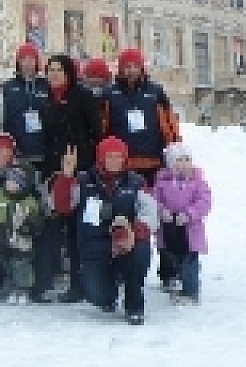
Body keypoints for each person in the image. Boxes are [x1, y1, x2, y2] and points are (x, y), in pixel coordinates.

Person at [53, 137, 157, 325]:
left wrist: (135, 232)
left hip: (126, 243)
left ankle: (134, 304)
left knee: (141, 250)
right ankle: (110, 284)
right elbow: (62, 206)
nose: (114, 161)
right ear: (101, 158)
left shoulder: (136, 182)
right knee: (101, 299)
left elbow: (151, 214)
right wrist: (66, 176)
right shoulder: (83, 181)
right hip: (94, 248)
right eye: (109, 157)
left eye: (119, 157)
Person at [102, 47, 181, 289]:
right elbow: (103, 129)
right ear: (120, 68)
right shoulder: (110, 93)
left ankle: (169, 271)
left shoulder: (156, 93)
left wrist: (175, 154)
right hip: (122, 168)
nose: (130, 70)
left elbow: (170, 126)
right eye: (126, 66)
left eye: (134, 65)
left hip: (154, 165)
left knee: (162, 217)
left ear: (141, 67)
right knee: (121, 216)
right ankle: (120, 267)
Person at [38, 54, 100, 304]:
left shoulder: (83, 96)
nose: (53, 74)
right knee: (52, 227)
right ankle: (45, 281)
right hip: (54, 170)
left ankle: (80, 283)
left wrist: (82, 162)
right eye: (50, 69)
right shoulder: (45, 99)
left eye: (58, 70)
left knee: (77, 230)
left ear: (69, 73)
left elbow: (96, 131)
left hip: (80, 170)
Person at [0, 148, 44, 305]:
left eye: (15, 181)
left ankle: (24, 289)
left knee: (21, 265)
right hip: (2, 240)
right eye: (8, 180)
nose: (10, 184)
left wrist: (30, 226)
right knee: (8, 265)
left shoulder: (29, 201)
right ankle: (13, 288)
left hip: (22, 241)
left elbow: (37, 220)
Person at [153, 143, 211, 305]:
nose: (185, 164)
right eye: (180, 160)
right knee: (174, 258)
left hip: (190, 231)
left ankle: (191, 292)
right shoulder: (162, 182)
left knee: (189, 262)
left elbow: (204, 202)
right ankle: (178, 283)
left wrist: (189, 214)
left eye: (188, 159)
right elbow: (155, 200)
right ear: (171, 163)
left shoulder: (198, 182)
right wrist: (162, 211)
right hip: (169, 229)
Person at [1, 43, 49, 186]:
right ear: (18, 62)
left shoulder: (46, 85)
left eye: (31, 59)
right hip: (18, 154)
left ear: (37, 62)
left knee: (42, 195)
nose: (28, 63)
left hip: (43, 152)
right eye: (24, 59)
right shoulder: (7, 88)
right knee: (20, 193)